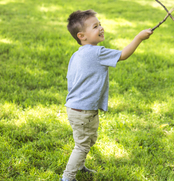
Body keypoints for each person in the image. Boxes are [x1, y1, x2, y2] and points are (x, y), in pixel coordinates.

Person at [62, 9, 152, 181]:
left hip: (76, 108)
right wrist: (139, 38)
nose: (101, 28)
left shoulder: (77, 54)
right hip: (84, 110)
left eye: (100, 24)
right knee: (82, 145)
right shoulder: (97, 52)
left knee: (87, 140)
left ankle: (79, 165)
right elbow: (123, 55)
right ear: (82, 36)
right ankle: (67, 177)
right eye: (95, 26)